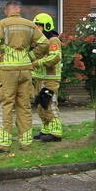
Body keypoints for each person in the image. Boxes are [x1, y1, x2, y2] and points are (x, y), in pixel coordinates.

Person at [0, 1, 49, 152]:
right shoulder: (29, 25)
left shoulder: (3, 23)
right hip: (25, 69)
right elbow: (45, 44)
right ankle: (26, 142)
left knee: (6, 105)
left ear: (6, 11)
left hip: (8, 70)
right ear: (19, 10)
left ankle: (4, 144)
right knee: (24, 106)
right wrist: (31, 56)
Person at [31, 12, 64, 142]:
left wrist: (37, 63)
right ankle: (46, 129)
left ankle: (56, 132)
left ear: (47, 26)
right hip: (40, 79)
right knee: (41, 106)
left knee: (50, 105)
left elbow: (55, 57)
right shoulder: (42, 42)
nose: (37, 29)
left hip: (50, 80)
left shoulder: (53, 40)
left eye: (39, 26)